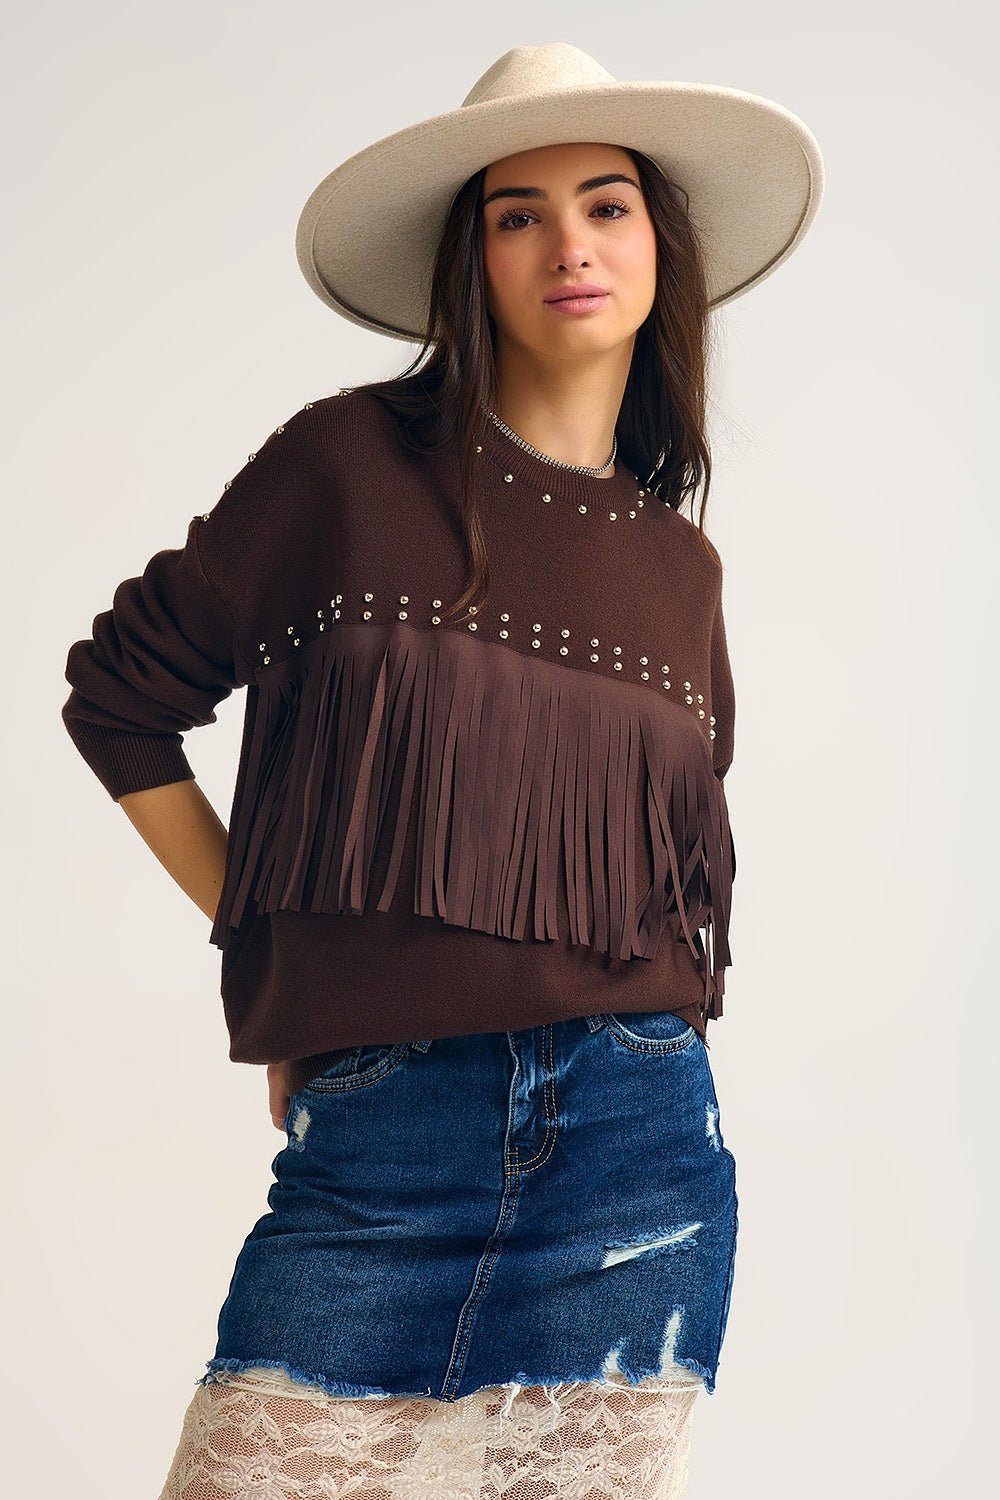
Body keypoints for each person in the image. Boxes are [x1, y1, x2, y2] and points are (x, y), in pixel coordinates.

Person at [61, 41, 824, 1500]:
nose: (569, 245)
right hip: (377, 1147)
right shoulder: (346, 465)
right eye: (517, 214)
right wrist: (280, 955)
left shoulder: (681, 570)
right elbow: (120, 703)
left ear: (659, 248)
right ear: (470, 263)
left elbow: (664, 896)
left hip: (638, 1148)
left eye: (607, 205)